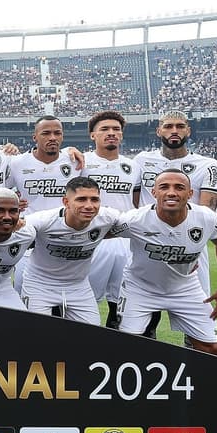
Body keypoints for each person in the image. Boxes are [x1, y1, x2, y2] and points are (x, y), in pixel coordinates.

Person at [114, 169, 217, 355]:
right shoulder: (135, 219)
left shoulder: (207, 218)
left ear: (190, 193)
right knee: (128, 346)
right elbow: (98, 233)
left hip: (184, 287)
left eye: (179, 187)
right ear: (154, 192)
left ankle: (193, 383)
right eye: (164, 187)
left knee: (211, 348)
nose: (171, 192)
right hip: (139, 287)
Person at [134, 110, 217, 337]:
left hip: (189, 252)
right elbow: (135, 206)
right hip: (148, 250)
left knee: (199, 330)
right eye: (168, 126)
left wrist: (184, 248)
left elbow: (206, 213)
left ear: (188, 130)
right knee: (143, 326)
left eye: (180, 126)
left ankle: (194, 368)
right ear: (158, 131)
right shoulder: (141, 161)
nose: (174, 131)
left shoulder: (208, 165)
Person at [20, 177, 122, 325]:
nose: (89, 206)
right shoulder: (42, 220)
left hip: (78, 286)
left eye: (95, 200)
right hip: (39, 284)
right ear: (66, 202)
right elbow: (9, 230)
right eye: (81, 199)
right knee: (37, 334)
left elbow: (138, 223)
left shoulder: (108, 217)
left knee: (93, 335)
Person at [5, 115, 82, 292]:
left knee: (64, 292)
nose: (52, 138)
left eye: (57, 133)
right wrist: (13, 203)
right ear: (35, 137)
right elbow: (0, 192)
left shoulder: (75, 161)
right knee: (22, 287)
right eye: (46, 133)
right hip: (29, 236)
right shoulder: (17, 163)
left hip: (64, 236)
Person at [81, 111, 139, 328]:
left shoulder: (133, 166)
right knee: (85, 299)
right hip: (94, 239)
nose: (111, 133)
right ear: (92, 135)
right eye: (105, 129)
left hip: (125, 241)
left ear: (122, 136)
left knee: (121, 302)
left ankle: (115, 351)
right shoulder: (81, 162)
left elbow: (135, 203)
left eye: (116, 130)